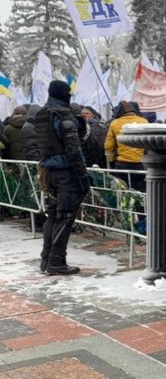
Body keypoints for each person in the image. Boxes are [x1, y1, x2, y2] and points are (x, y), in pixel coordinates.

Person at [35, 81, 88, 275]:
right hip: (66, 173)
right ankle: (56, 262)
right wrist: (83, 175)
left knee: (53, 216)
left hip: (48, 171)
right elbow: (73, 149)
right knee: (64, 217)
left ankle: (46, 259)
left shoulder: (42, 114)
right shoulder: (63, 116)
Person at [104, 101, 148, 191]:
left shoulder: (114, 123)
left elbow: (108, 146)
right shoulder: (144, 121)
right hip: (140, 164)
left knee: (123, 191)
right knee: (140, 190)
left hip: (121, 164)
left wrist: (111, 161)